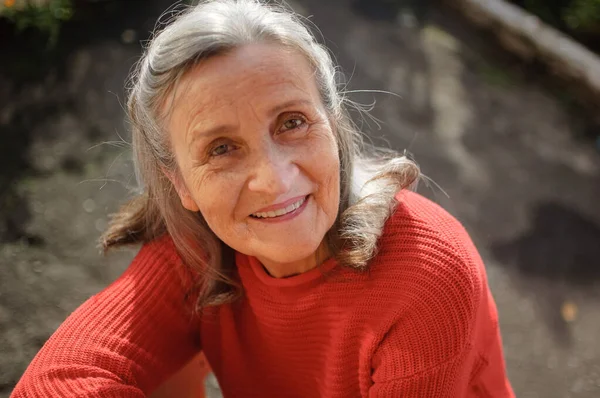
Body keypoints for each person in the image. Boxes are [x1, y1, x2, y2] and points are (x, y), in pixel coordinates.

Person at [11, 0, 515, 396]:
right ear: (181, 183)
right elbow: (54, 385)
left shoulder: (426, 272)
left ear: (333, 124)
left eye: (292, 122)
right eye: (222, 149)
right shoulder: (197, 249)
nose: (274, 180)